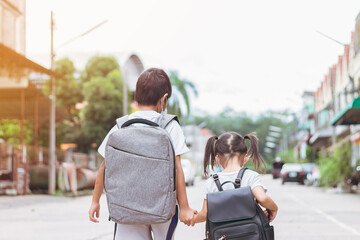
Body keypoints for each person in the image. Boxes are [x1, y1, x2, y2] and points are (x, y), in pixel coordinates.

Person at [89, 68, 197, 239]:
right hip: (163, 208)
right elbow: (177, 169)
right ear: (164, 99)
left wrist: (95, 201)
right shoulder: (170, 126)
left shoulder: (120, 126)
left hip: (126, 208)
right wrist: (184, 207)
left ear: (136, 97)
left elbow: (104, 167)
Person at [191, 132, 278, 225]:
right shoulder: (250, 176)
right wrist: (274, 208)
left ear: (217, 159)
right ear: (246, 158)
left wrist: (193, 219)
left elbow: (204, 214)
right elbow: (263, 199)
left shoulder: (211, 182)